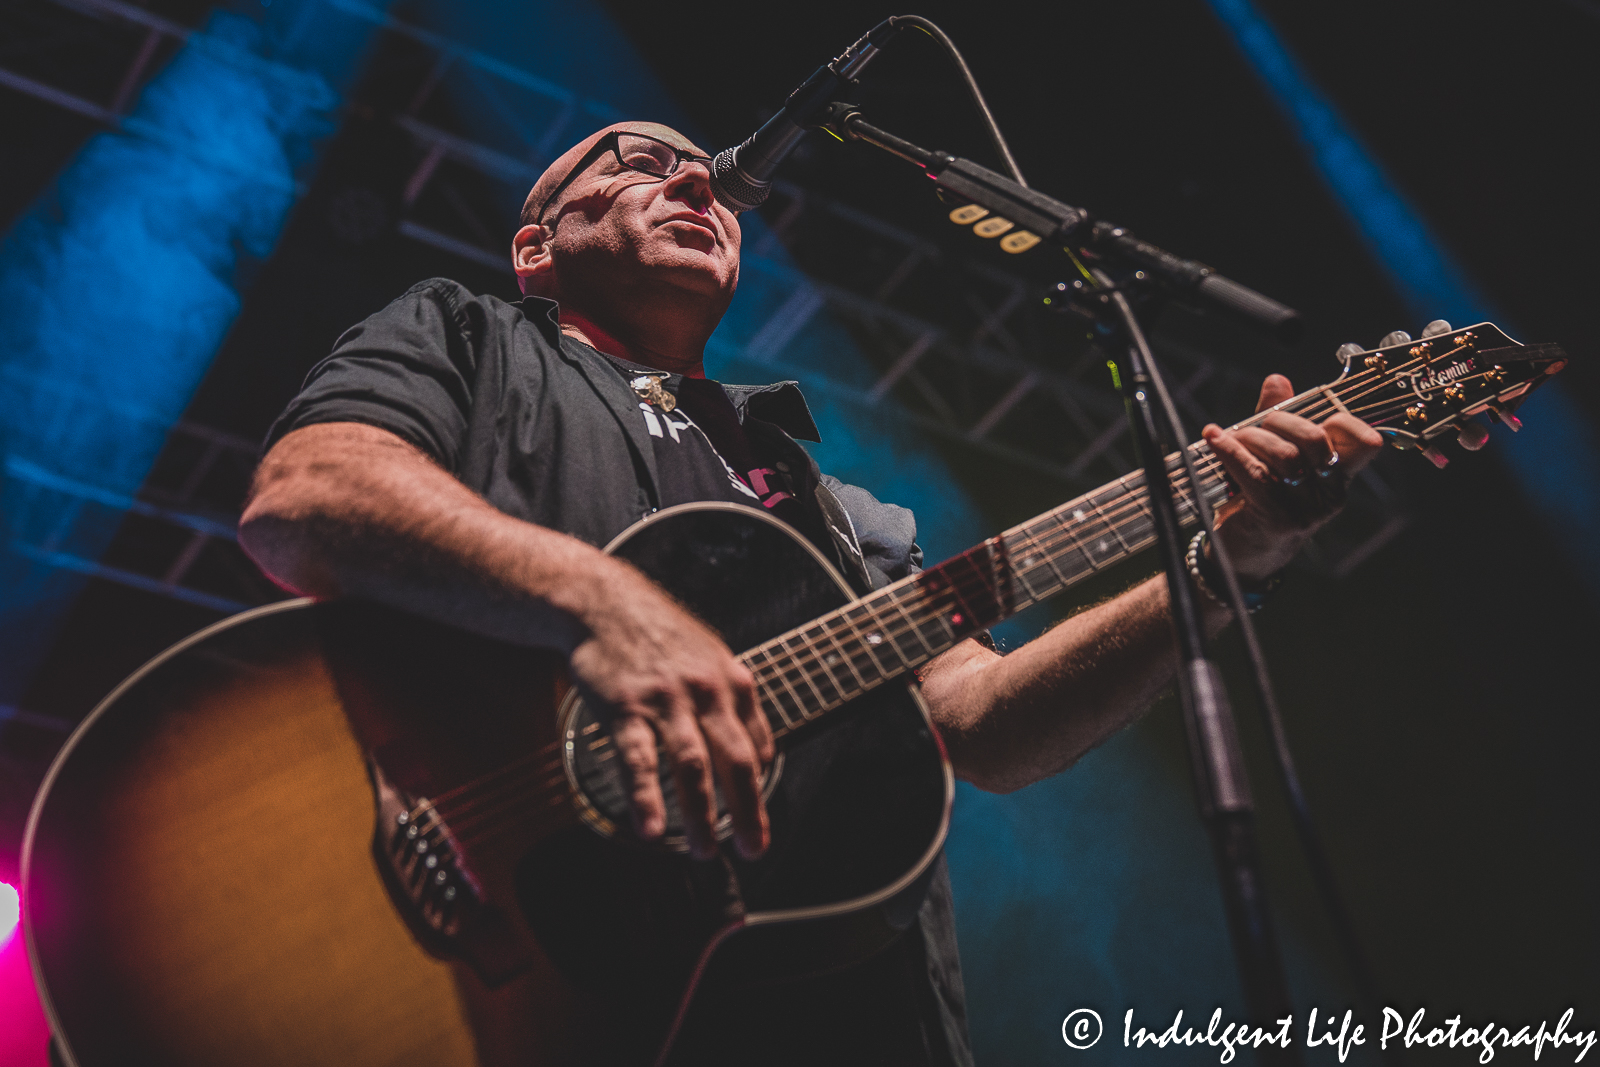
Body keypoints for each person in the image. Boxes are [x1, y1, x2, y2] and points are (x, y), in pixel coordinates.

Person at [239, 121, 1383, 1064]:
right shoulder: (470, 335)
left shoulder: (838, 511)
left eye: (703, 175)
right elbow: (306, 489)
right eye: (638, 162)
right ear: (537, 246)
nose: (695, 178)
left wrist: (1229, 558)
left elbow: (983, 723)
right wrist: (609, 607)